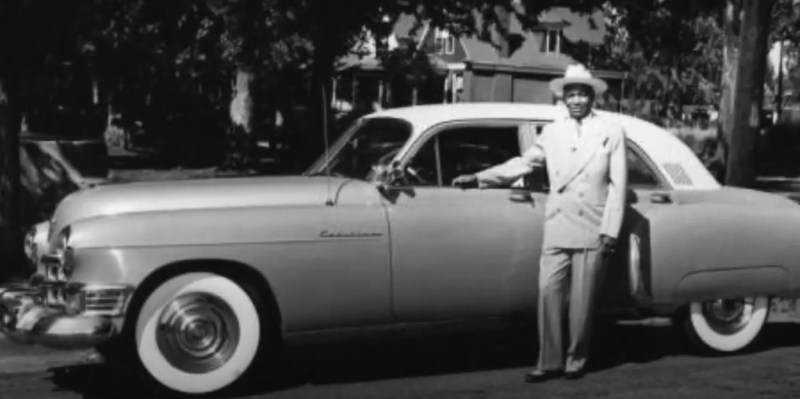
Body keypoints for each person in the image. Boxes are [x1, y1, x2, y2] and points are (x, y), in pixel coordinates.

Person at [452, 64, 627, 382]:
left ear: (592, 97)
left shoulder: (611, 131)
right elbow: (524, 162)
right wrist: (479, 178)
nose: (576, 100)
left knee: (583, 302)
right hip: (558, 222)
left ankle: (576, 359)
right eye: (570, 95)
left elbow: (618, 185)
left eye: (581, 94)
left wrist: (610, 230)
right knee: (548, 291)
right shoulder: (553, 132)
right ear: (563, 98)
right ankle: (549, 361)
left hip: (592, 223)